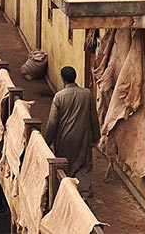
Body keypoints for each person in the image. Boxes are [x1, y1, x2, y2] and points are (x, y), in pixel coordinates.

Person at [45, 66, 98, 197]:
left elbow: (52, 123)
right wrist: (96, 137)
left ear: (63, 79)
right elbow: (94, 118)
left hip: (64, 140)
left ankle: (66, 197)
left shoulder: (59, 97)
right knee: (83, 167)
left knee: (65, 168)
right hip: (83, 139)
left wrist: (47, 142)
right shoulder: (87, 94)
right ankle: (83, 196)